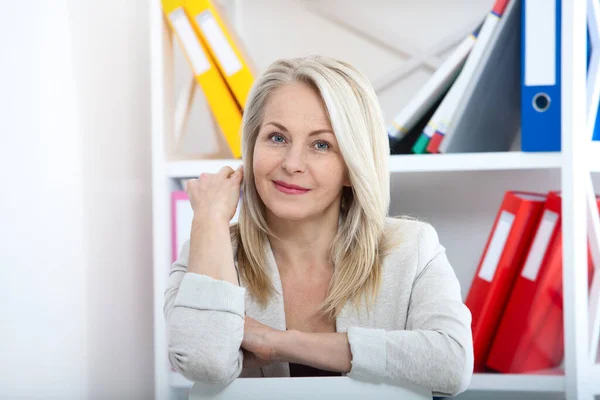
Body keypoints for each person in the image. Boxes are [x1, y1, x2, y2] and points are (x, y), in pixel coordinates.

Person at [164, 55, 474, 397]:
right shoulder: (210, 251)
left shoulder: (412, 248)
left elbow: (452, 364)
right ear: (252, 147)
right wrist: (209, 217)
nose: (292, 163)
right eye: (277, 138)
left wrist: (281, 343)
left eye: (321, 144)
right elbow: (204, 363)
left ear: (352, 166)